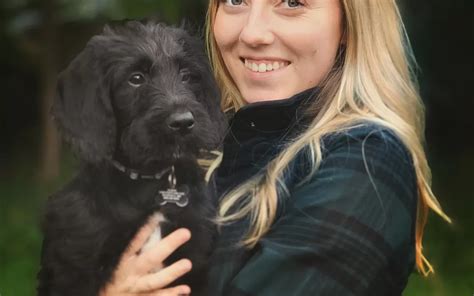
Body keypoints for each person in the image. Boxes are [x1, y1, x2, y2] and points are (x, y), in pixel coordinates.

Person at [100, 0, 450, 295]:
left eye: (292, 1)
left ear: (350, 22)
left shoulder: (367, 159)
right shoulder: (203, 155)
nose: (252, 33)